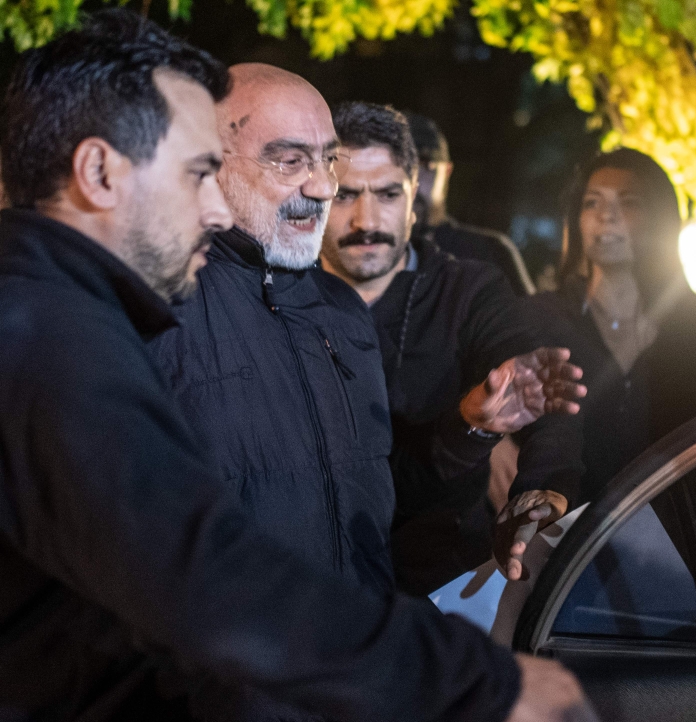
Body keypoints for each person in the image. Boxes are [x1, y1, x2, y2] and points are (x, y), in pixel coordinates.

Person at [0, 12, 594, 722]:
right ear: (98, 172)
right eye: (196, 173)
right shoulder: (49, 330)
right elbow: (199, 572)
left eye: (330, 161)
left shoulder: (327, 313)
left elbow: (365, 499)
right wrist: (473, 680)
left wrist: (465, 433)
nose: (213, 206)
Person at [148, 63, 588, 719]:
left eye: (381, 192)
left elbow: (390, 492)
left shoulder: (380, 307)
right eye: (295, 163)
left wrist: (490, 441)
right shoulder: (168, 306)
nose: (334, 197)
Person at [320, 102, 586, 592]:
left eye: (387, 194)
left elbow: (532, 388)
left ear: (414, 197)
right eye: (345, 196)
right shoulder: (285, 296)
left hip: (442, 586)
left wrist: (538, 488)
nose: (366, 218)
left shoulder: (466, 290)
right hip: (314, 585)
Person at [525, 148, 696, 613]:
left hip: (676, 559)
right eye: (592, 202)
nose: (607, 217)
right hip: (568, 560)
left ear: (659, 218)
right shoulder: (541, 320)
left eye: (628, 202)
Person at [405, 112, 536, 296]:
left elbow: (529, 322)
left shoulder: (490, 254)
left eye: (426, 166)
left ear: (447, 172)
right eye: (404, 168)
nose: (413, 181)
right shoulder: (366, 255)